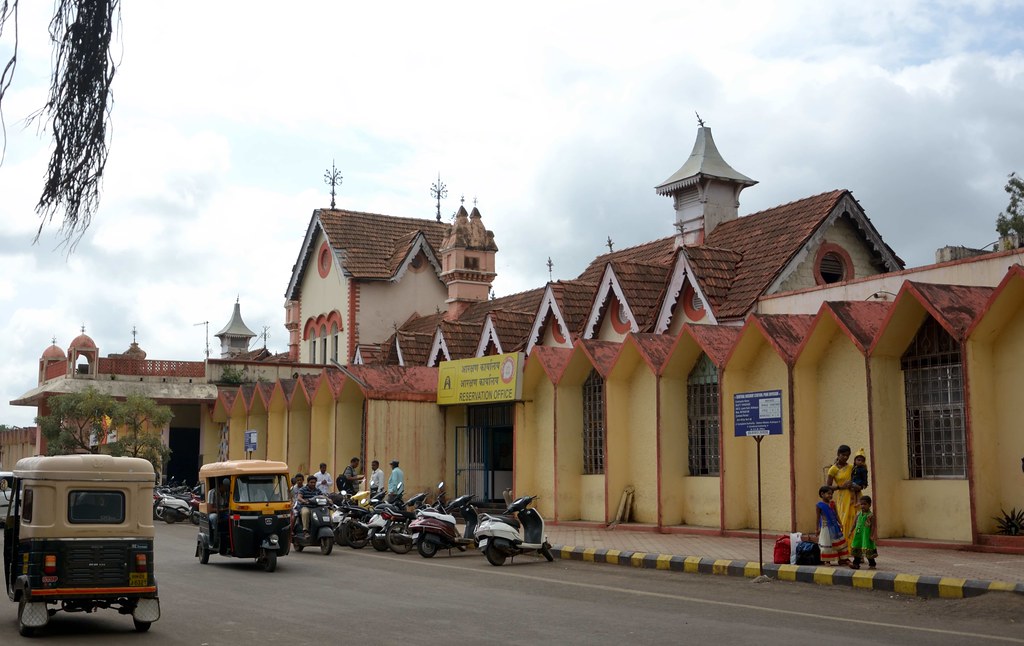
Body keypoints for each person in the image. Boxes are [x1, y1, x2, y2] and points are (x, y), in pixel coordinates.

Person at [825, 444, 858, 544]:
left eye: (848, 455)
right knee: (843, 521)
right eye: (843, 455)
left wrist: (854, 485)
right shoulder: (833, 469)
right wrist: (840, 487)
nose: (845, 457)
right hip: (842, 498)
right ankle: (843, 547)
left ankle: (854, 548)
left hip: (853, 497)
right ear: (838, 454)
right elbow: (827, 487)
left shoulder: (852, 467)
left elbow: (859, 482)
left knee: (854, 521)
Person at [816, 485, 849, 565]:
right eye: (828, 494)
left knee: (839, 542)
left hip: (835, 526)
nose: (830, 496)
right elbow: (817, 518)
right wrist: (817, 529)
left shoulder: (833, 503)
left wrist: (840, 523)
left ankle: (842, 559)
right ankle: (827, 560)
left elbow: (836, 515)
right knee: (827, 543)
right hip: (825, 527)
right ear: (822, 494)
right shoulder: (819, 505)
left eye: (831, 494)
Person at [849, 495, 878, 570]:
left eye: (865, 504)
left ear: (869, 505)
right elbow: (854, 524)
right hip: (858, 535)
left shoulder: (870, 515)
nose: (863, 506)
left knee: (868, 550)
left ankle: (872, 564)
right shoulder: (858, 514)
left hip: (866, 535)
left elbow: (873, 526)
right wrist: (850, 531)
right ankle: (856, 564)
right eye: (861, 504)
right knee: (857, 549)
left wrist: (871, 535)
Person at [207, 478, 230, 548]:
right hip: (214, 513)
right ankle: (215, 535)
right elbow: (210, 509)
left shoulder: (226, 493)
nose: (226, 488)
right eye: (225, 486)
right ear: (220, 485)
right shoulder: (212, 492)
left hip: (224, 513)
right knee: (214, 517)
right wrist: (223, 509)